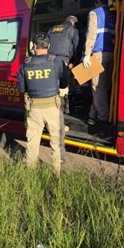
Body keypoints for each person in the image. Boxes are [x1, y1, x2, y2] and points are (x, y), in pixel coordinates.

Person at [17, 32, 69, 175]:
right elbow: (65, 83)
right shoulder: (56, 62)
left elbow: (21, 89)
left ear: (34, 46)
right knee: (57, 143)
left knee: (32, 143)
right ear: (49, 46)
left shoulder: (25, 65)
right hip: (53, 108)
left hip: (34, 109)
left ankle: (30, 173)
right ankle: (57, 174)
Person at [47, 15, 79, 157]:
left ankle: (51, 118)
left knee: (51, 90)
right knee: (63, 90)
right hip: (63, 61)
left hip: (49, 61)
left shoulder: (52, 28)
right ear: (73, 22)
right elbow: (77, 46)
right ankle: (61, 119)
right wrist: (75, 61)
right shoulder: (72, 30)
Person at [82, 0, 115, 129]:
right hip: (112, 54)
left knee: (96, 87)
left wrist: (86, 54)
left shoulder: (95, 13)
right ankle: (92, 115)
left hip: (98, 54)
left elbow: (91, 34)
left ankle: (103, 117)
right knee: (104, 87)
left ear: (97, 2)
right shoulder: (114, 14)